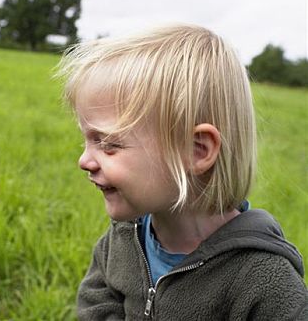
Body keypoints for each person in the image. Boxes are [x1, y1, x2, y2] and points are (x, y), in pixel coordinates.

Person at [56, 24, 307, 319]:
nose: (84, 160)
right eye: (87, 140)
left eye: (109, 143)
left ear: (196, 150)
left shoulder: (264, 279)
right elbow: (97, 301)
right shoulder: (127, 236)